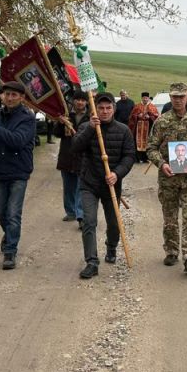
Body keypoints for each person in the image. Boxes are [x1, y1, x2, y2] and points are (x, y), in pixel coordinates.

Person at [146, 82, 187, 272]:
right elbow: (150, 147)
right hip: (169, 179)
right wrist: (162, 163)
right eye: (174, 97)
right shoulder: (162, 121)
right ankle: (172, 250)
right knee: (170, 219)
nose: (178, 100)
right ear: (170, 98)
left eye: (181, 97)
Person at [72, 92, 136, 278]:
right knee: (89, 222)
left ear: (114, 110)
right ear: (95, 109)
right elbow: (75, 147)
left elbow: (129, 156)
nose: (105, 111)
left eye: (108, 108)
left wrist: (117, 174)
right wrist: (91, 129)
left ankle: (111, 247)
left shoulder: (123, 130)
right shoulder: (86, 126)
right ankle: (91, 262)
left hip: (111, 184)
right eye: (101, 108)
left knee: (113, 223)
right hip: (89, 183)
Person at [0, 80, 36, 270]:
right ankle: (10, 234)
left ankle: (10, 251)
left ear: (22, 98)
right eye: (7, 94)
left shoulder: (27, 118)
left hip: (19, 171)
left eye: (14, 95)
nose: (9, 98)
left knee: (12, 213)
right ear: (2, 96)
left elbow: (17, 141)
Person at [54, 92, 90, 226]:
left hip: (84, 157)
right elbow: (57, 134)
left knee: (81, 187)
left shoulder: (91, 117)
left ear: (86, 102)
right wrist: (60, 123)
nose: (80, 102)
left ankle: (81, 215)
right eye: (77, 100)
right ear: (73, 101)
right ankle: (70, 212)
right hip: (67, 156)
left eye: (82, 100)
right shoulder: (67, 115)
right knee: (68, 187)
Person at [128, 92, 159, 163]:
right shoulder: (137, 106)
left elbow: (156, 116)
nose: (145, 99)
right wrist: (137, 116)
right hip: (138, 127)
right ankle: (138, 158)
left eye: (146, 98)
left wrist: (150, 117)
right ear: (142, 98)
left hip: (148, 127)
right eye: (144, 98)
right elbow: (131, 116)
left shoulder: (152, 106)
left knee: (147, 142)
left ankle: (146, 158)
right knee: (137, 142)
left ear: (148, 98)